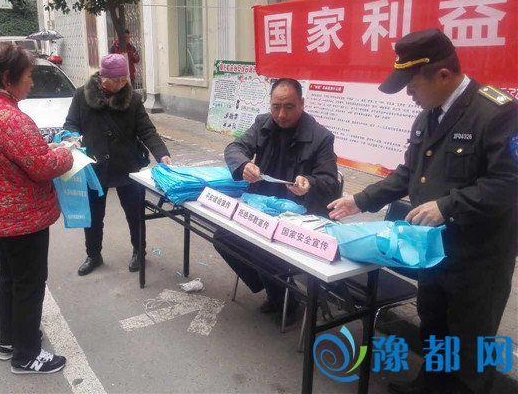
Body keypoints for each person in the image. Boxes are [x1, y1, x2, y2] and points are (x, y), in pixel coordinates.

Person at [328, 28, 518, 394]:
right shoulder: (429, 115)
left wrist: (448, 206)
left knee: (469, 345)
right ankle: (429, 387)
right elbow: (408, 172)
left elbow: (509, 182)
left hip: (479, 259)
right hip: (431, 249)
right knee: (433, 327)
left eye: (412, 85)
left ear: (443, 75)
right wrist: (360, 200)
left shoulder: (497, 113)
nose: (409, 94)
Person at [0, 43, 73, 374]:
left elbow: (17, 156)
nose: (32, 83)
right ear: (8, 78)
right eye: (28, 76)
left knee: (12, 279)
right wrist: (66, 152)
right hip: (22, 218)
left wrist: (47, 147)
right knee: (29, 284)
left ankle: (9, 341)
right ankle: (26, 356)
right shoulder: (10, 118)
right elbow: (42, 167)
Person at [214, 78, 339, 321]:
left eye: (289, 107)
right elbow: (234, 148)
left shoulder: (321, 137)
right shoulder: (263, 123)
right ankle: (274, 288)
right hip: (262, 204)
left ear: (302, 104)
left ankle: (285, 301)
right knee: (223, 238)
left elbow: (330, 182)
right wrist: (244, 164)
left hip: (297, 212)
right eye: (276, 107)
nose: (281, 114)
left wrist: (309, 183)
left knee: (264, 249)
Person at [64, 53, 171, 276]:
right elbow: (71, 123)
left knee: (135, 213)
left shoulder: (133, 99)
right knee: (94, 216)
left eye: (124, 79)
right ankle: (93, 255)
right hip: (94, 167)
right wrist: (72, 137)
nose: (121, 84)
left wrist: (162, 155)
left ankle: (139, 251)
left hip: (127, 166)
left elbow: (147, 131)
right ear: (103, 78)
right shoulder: (82, 96)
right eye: (116, 80)